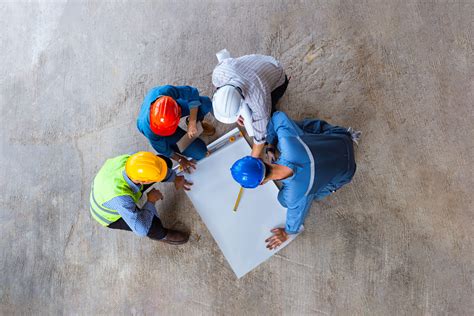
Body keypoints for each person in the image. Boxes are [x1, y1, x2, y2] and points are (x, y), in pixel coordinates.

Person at [230, 112, 360, 250]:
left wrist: (287, 232)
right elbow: (277, 117)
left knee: (286, 199)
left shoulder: (293, 195)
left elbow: (296, 217)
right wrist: (270, 143)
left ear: (261, 183)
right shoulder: (288, 142)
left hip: (347, 171)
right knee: (295, 133)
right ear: (260, 159)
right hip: (341, 137)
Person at [89, 151, 193, 244]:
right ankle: (162, 235)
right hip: (107, 215)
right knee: (148, 224)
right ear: (143, 181)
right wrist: (151, 201)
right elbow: (141, 229)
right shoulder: (122, 199)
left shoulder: (132, 162)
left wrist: (175, 178)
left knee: (164, 162)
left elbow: (156, 169)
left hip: (105, 188)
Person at [212, 51, 289, 158]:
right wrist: (237, 114)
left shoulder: (258, 99)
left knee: (268, 119)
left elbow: (259, 137)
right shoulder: (219, 73)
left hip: (276, 74)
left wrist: (252, 158)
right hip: (257, 63)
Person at [137, 85, 216, 172]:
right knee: (200, 152)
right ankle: (180, 141)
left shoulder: (165, 93)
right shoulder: (150, 130)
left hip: (172, 110)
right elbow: (162, 149)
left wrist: (193, 121)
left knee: (205, 104)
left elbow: (192, 93)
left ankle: (196, 124)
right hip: (161, 130)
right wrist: (179, 159)